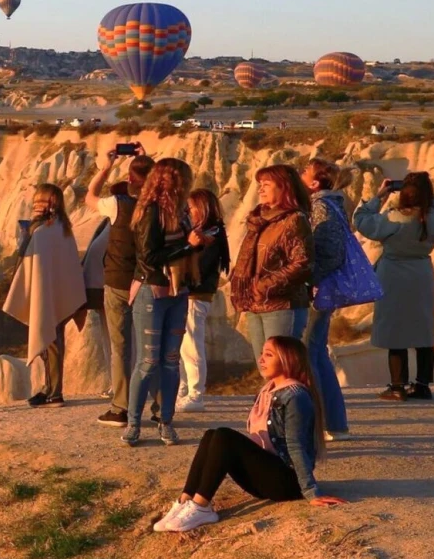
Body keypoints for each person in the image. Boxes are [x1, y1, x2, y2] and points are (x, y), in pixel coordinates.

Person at [153, 336, 343, 533]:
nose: (261, 359)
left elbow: (296, 445)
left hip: (287, 482)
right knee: (212, 434)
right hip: (267, 475)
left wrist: (311, 492)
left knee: (225, 436)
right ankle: (186, 500)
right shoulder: (268, 390)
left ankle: (202, 506)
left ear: (289, 360)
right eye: (262, 353)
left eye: (269, 355)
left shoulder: (295, 396)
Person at [356, 172, 434, 400]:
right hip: (422, 275)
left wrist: (380, 195)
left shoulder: (394, 218)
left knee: (395, 329)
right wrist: (429, 197)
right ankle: (422, 386)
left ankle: (397, 386)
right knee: (422, 329)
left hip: (393, 274)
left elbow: (361, 220)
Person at [125, 157, 196, 446]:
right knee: (148, 361)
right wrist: (189, 245)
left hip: (177, 293)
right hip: (153, 292)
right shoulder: (151, 212)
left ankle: (165, 421)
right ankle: (133, 423)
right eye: (184, 179)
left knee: (170, 361)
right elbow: (149, 257)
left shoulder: (181, 213)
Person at [3, 184, 86, 407]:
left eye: (41, 201)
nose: (36, 205)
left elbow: (24, 254)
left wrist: (28, 230)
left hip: (47, 294)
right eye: (35, 201)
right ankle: (50, 389)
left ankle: (54, 393)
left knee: (49, 341)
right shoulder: (63, 228)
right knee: (53, 341)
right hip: (58, 293)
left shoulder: (42, 232)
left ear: (52, 204)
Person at [92, 150, 155, 427]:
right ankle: (161, 408)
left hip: (118, 282)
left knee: (121, 347)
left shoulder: (118, 204)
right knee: (150, 346)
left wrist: (106, 167)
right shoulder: (160, 207)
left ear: (130, 178)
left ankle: (121, 408)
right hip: (147, 282)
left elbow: (89, 196)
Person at [231, 165, 313, 353]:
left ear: (284, 187)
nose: (260, 189)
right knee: (265, 367)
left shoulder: (294, 220)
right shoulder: (259, 220)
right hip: (255, 303)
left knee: (283, 365)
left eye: (266, 184)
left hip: (282, 304)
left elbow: (302, 263)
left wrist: (265, 285)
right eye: (260, 184)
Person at [303, 159, 352, 434]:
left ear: (314, 183)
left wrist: (311, 279)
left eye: (304, 173)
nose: (299, 175)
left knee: (309, 354)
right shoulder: (332, 204)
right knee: (317, 353)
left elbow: (330, 252)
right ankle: (334, 423)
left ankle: (319, 423)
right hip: (322, 287)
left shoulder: (321, 206)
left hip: (316, 289)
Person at [176, 188, 230, 413]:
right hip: (191, 295)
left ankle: (196, 394)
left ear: (203, 208)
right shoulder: (206, 232)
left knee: (191, 344)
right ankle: (183, 388)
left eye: (191, 208)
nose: (187, 212)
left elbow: (199, 267)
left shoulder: (211, 235)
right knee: (182, 345)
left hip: (196, 295)